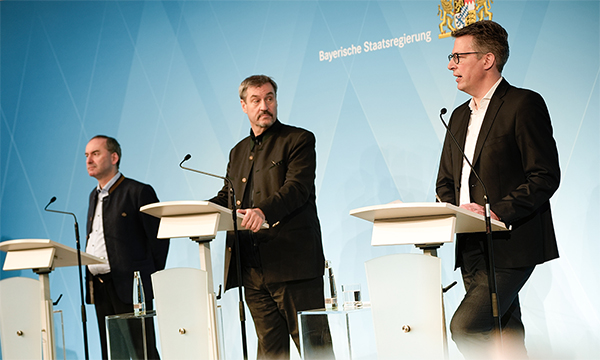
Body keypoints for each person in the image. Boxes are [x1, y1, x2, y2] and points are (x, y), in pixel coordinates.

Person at [436, 21, 560, 359]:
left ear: (487, 60)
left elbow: (543, 175)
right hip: (470, 245)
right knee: (505, 334)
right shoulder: (459, 116)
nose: (451, 65)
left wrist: (496, 211)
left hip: (511, 241)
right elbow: (446, 181)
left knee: (467, 326)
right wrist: (453, 211)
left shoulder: (523, 104)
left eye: (458, 56)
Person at [209, 75, 331, 359]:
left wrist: (263, 211)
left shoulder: (298, 139)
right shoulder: (237, 151)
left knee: (317, 350)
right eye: (256, 100)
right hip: (252, 268)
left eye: (269, 98)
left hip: (293, 265)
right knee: (270, 353)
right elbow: (229, 196)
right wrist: (199, 210)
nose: (264, 106)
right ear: (244, 106)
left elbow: (297, 189)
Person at [84, 135, 169, 360]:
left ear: (114, 157)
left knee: (143, 351)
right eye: (86, 155)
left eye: (95, 153)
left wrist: (148, 279)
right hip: (101, 287)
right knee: (112, 353)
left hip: (132, 287)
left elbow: (159, 238)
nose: (89, 160)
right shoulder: (94, 196)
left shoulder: (138, 191)